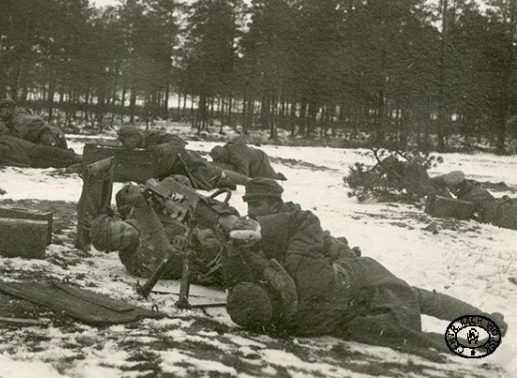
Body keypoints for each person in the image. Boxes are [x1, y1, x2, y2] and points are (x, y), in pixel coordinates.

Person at [222, 204, 508, 355]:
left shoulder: (281, 321)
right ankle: (487, 322)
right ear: (267, 287)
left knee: (410, 336)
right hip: (363, 279)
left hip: (352, 310)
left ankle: (481, 335)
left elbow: (244, 279)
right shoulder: (302, 269)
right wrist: (261, 229)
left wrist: (235, 248)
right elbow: (305, 220)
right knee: (417, 298)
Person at [90, 180, 249, 286]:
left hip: (218, 232)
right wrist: (143, 208)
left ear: (118, 219)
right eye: (122, 240)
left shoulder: (137, 212)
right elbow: (159, 254)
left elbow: (180, 200)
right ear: (113, 250)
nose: (128, 235)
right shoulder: (132, 261)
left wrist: (155, 191)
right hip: (216, 263)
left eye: (123, 229)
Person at [116, 125, 248, 190]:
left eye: (125, 140)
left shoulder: (154, 136)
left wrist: (162, 149)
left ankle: (250, 182)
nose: (124, 144)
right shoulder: (135, 148)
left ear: (135, 137)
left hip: (188, 163)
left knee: (216, 174)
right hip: (172, 172)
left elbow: (179, 142)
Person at [0, 99, 68, 149]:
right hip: (54, 137)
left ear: (9, 110)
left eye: (0, 111)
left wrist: (3, 129)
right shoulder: (18, 115)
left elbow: (16, 140)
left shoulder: (21, 119)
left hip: (51, 141)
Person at [210, 141, 286, 181]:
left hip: (260, 162)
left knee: (271, 178)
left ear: (223, 155)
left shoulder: (237, 155)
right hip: (254, 159)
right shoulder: (227, 151)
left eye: (219, 160)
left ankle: (280, 177)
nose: (219, 162)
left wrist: (229, 173)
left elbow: (244, 175)